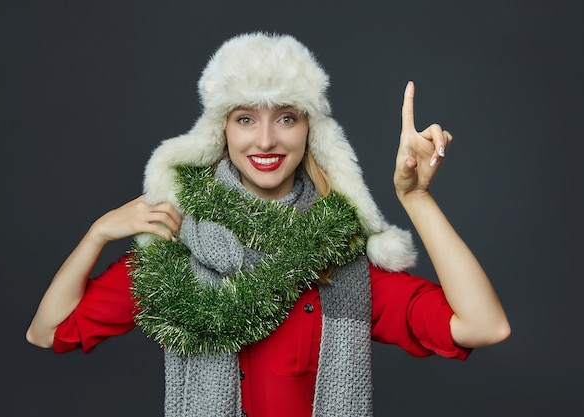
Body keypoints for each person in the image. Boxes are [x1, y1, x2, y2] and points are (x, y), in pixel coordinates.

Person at [26, 32, 510, 417]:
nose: (265, 140)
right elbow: (48, 332)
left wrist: (416, 197)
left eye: (285, 117)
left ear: (311, 131)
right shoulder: (174, 255)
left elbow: (483, 326)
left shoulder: (341, 267)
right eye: (244, 119)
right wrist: (96, 234)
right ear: (221, 129)